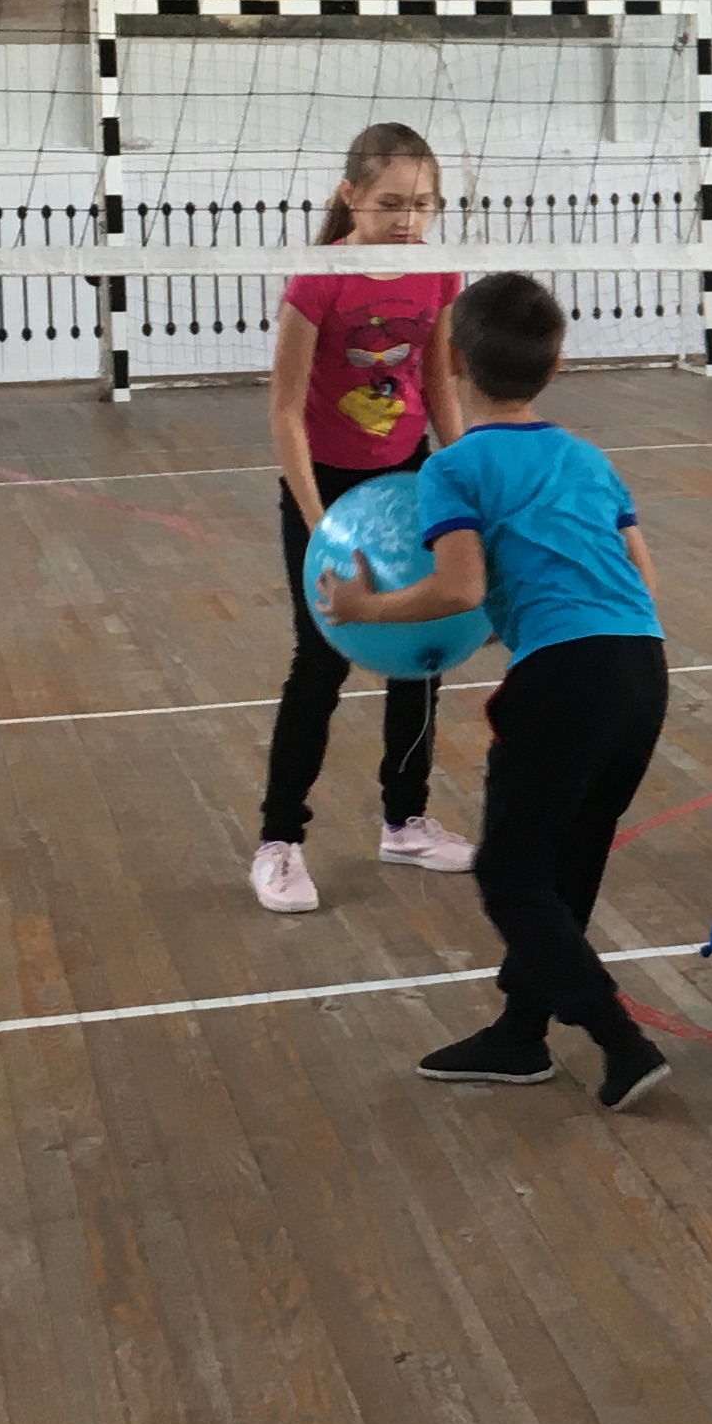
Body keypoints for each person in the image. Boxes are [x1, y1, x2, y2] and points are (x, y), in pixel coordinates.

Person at [322, 272, 677, 1110]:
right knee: (568, 860)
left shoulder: (453, 468)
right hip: (642, 667)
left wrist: (366, 608)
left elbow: (459, 586)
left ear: (449, 361)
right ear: (556, 367)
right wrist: (526, 612)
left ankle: (621, 1042)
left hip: (565, 680)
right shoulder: (587, 458)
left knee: (511, 875)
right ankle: (520, 1034)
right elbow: (640, 578)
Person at [250, 123, 478, 913]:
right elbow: (285, 411)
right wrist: (319, 523)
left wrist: (465, 476)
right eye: (390, 203)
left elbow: (438, 385)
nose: (408, 220)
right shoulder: (319, 279)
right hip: (327, 484)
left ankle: (405, 821)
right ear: (351, 197)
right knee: (321, 659)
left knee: (422, 647)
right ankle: (279, 840)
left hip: (408, 475)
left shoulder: (437, 271)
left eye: (422, 204)